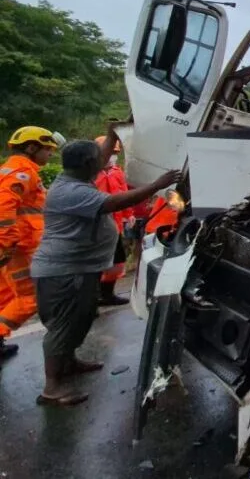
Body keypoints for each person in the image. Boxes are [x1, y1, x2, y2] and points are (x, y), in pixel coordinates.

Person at [30, 132, 181, 406]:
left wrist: (113, 135)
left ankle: (70, 362)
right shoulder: (71, 191)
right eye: (98, 159)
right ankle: (52, 387)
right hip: (64, 272)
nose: (103, 161)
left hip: (80, 269)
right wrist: (157, 184)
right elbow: (115, 202)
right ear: (88, 164)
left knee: (82, 317)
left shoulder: (78, 180)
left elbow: (100, 163)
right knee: (62, 326)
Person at [0, 126, 63, 363]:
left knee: (6, 296)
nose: (50, 155)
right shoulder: (22, 171)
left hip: (15, 245)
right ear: (31, 147)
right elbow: (3, 206)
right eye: (47, 150)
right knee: (30, 299)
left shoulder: (10, 168)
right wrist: (5, 244)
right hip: (20, 247)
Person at [93, 135, 132, 306]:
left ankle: (107, 295)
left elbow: (124, 195)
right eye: (111, 152)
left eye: (116, 153)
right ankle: (92, 300)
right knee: (95, 266)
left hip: (114, 226)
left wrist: (128, 214)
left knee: (116, 263)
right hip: (96, 227)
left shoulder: (117, 172)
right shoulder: (91, 175)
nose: (113, 156)